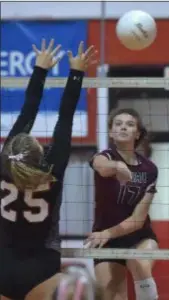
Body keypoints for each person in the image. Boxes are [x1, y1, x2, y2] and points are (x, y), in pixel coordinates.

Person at [0, 38, 97, 300]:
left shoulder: (4, 165)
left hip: (3, 262)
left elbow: (27, 110)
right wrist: (76, 72)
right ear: (39, 151)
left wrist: (39, 68)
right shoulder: (52, 171)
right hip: (41, 264)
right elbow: (65, 118)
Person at [85, 108, 159, 300]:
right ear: (111, 132)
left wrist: (107, 233)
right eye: (118, 124)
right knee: (109, 294)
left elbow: (137, 220)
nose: (123, 127)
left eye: (130, 124)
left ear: (138, 133)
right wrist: (118, 166)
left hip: (138, 235)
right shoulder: (104, 157)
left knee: (138, 260)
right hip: (106, 239)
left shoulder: (149, 170)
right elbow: (101, 167)